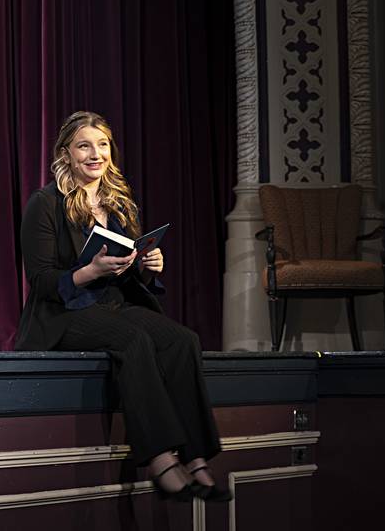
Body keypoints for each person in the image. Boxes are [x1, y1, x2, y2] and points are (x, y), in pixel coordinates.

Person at [15, 110, 231, 502]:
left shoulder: (118, 203)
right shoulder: (45, 203)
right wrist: (91, 269)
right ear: (66, 153)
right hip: (65, 313)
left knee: (183, 341)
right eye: (84, 145)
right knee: (134, 341)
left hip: (113, 303)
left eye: (102, 145)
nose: (95, 154)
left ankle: (197, 458)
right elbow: (42, 282)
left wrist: (149, 265)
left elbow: (128, 272)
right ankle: (161, 459)